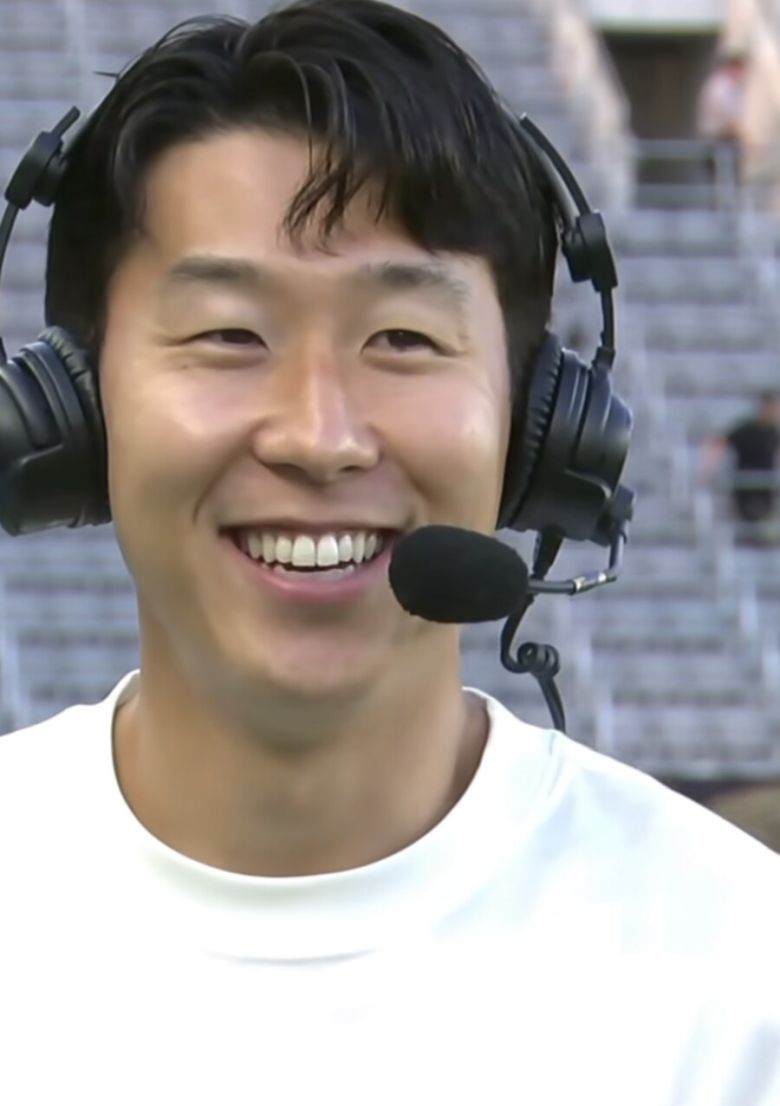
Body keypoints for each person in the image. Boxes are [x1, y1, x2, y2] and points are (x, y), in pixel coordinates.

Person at [0, 3, 778, 1103]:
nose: (320, 435)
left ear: (538, 426)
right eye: (230, 335)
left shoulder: (741, 980)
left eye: (403, 340)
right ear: (76, 408)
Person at [701, 391, 780, 539]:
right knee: (748, 524)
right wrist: (708, 469)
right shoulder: (746, 429)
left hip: (766, 488)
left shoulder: (774, 432)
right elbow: (719, 443)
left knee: (764, 525)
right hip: (744, 488)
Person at [696, 48, 749, 201]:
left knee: (728, 184)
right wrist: (747, 136)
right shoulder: (721, 87)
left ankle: (727, 208)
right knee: (722, 183)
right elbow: (729, 118)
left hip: (726, 141)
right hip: (719, 141)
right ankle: (724, 211)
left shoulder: (730, 87)